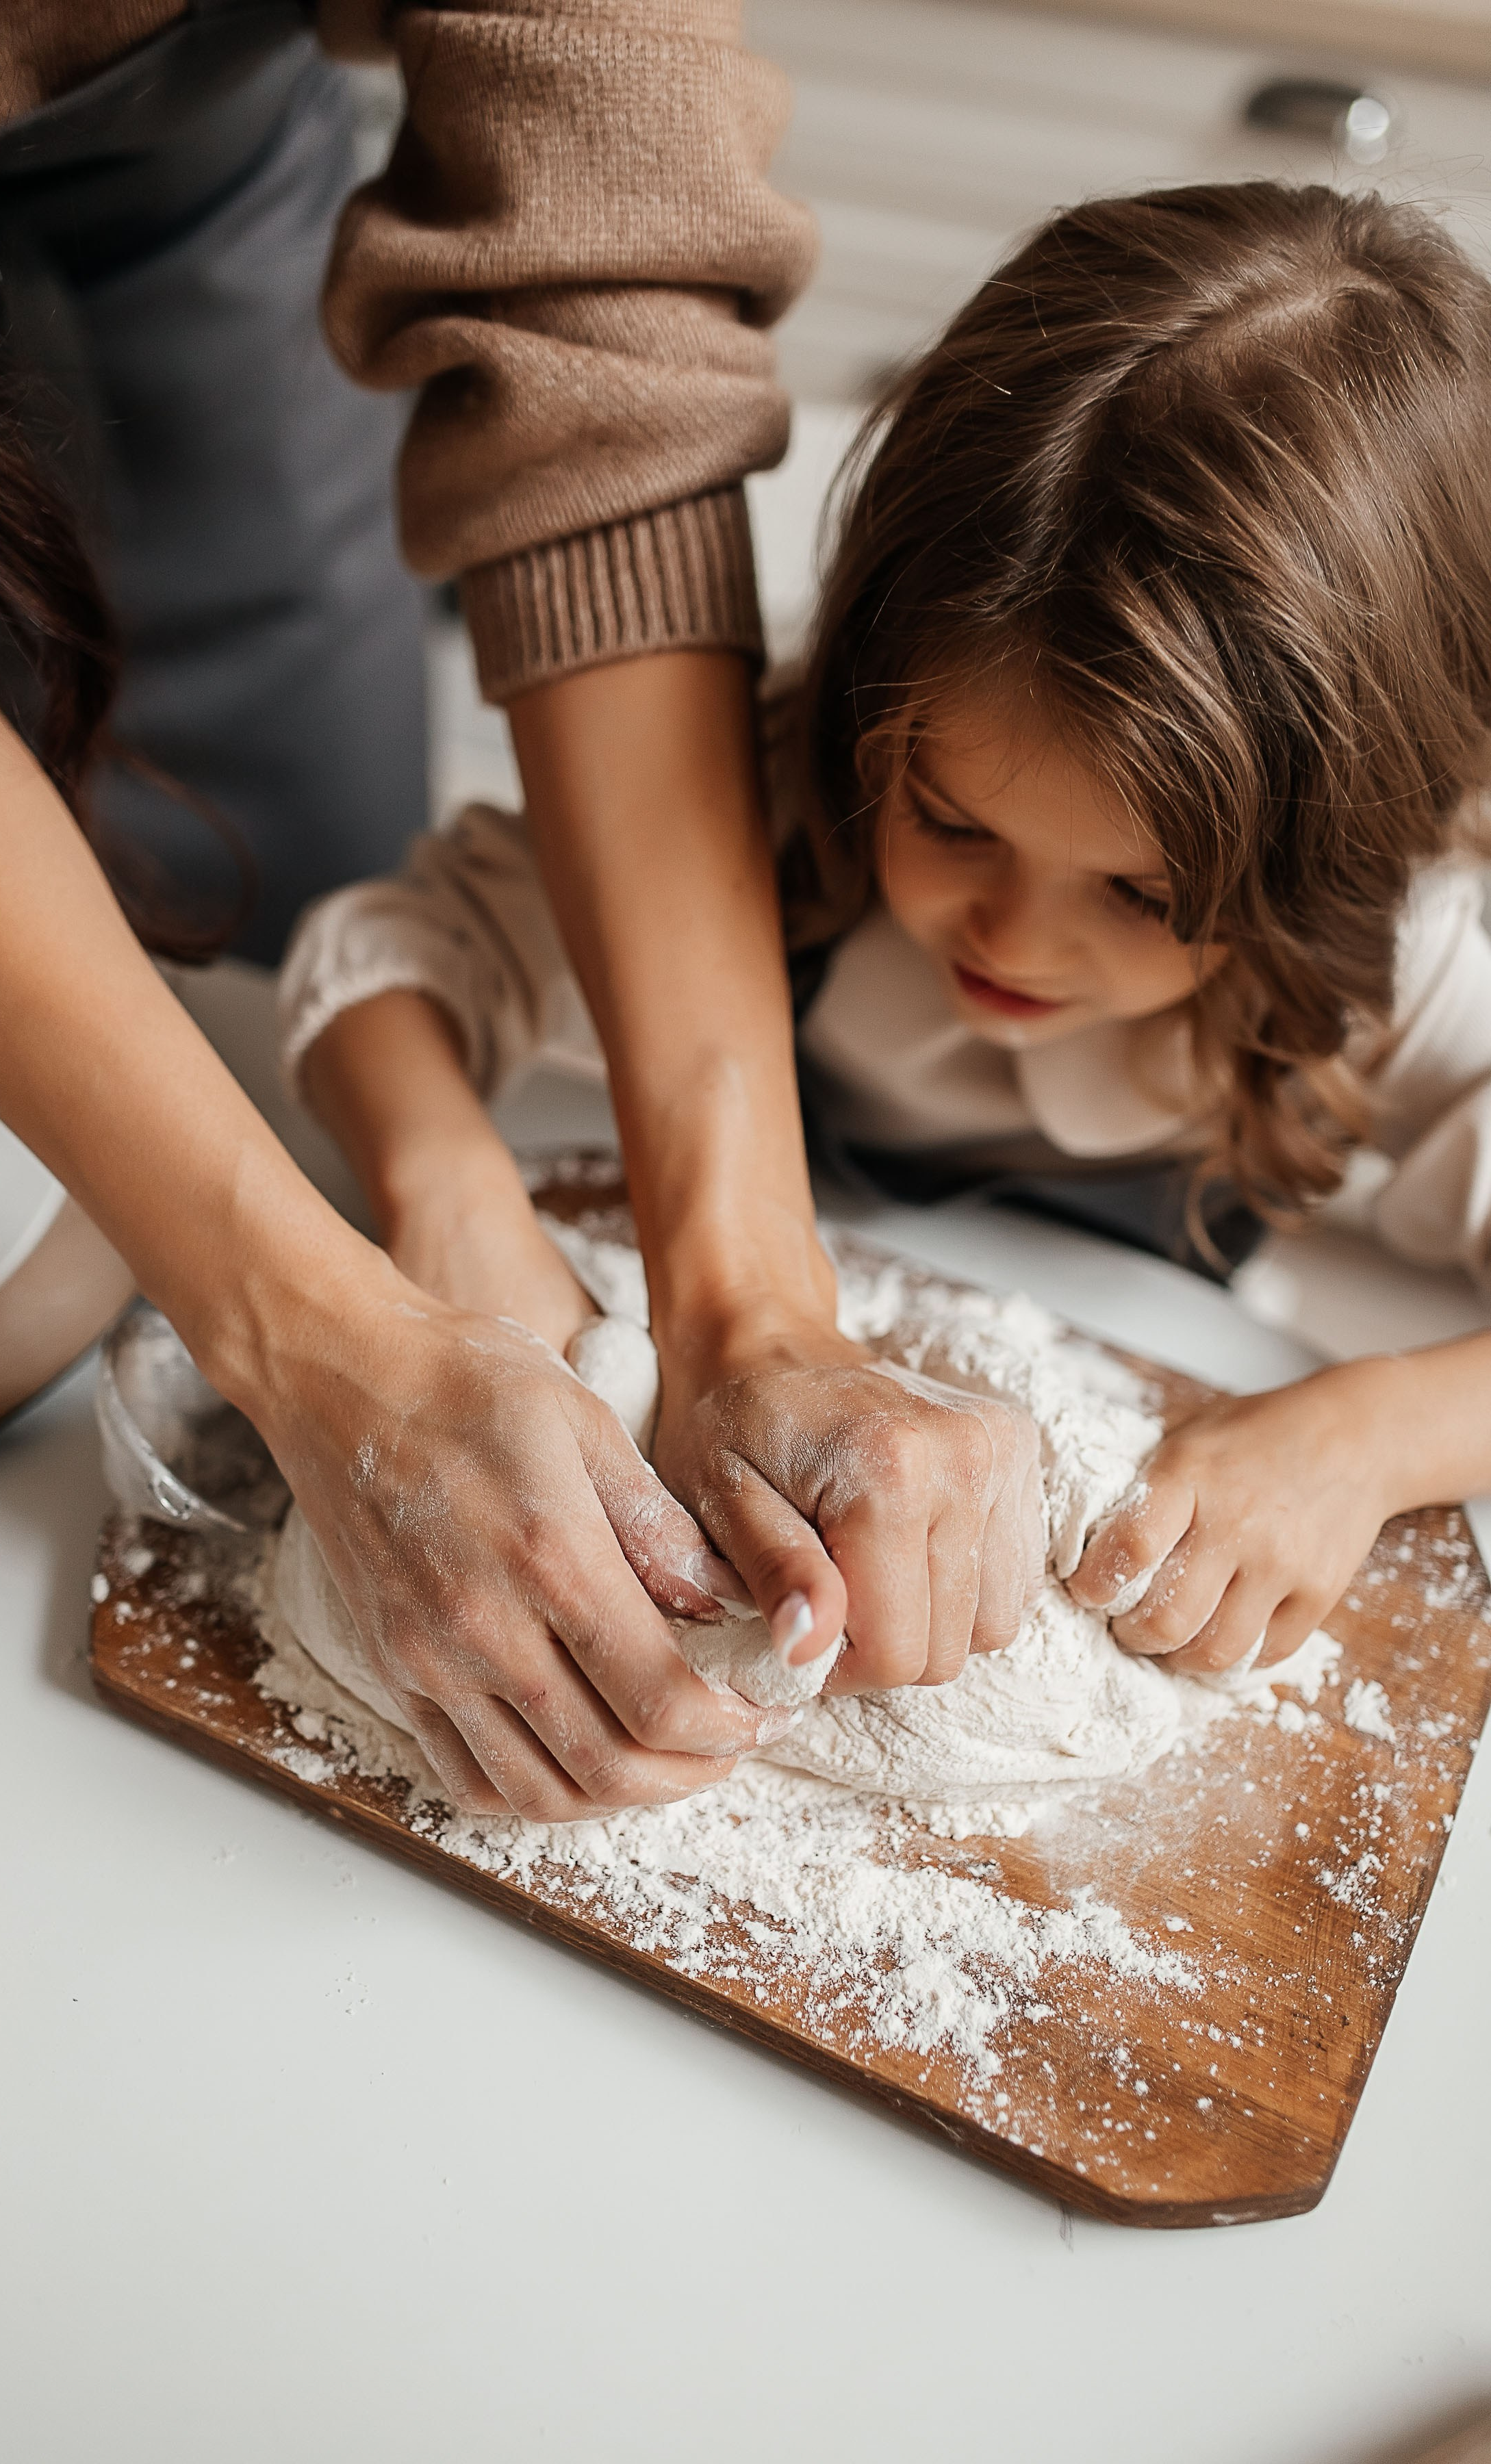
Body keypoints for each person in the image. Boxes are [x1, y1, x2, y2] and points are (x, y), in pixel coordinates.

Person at [0, 0, 1045, 1881]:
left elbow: (604, 337)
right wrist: (317, 1348)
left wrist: (747, 1293)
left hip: (189, 128)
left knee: (257, 899)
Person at [279, 178, 1491, 1714]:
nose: (1008, 933)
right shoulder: (769, 810)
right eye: (952, 817)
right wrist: (456, 1208)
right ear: (872, 691)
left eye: (1141, 899)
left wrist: (1364, 1438)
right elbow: (376, 965)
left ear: (1326, 874)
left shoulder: (1394, 985)